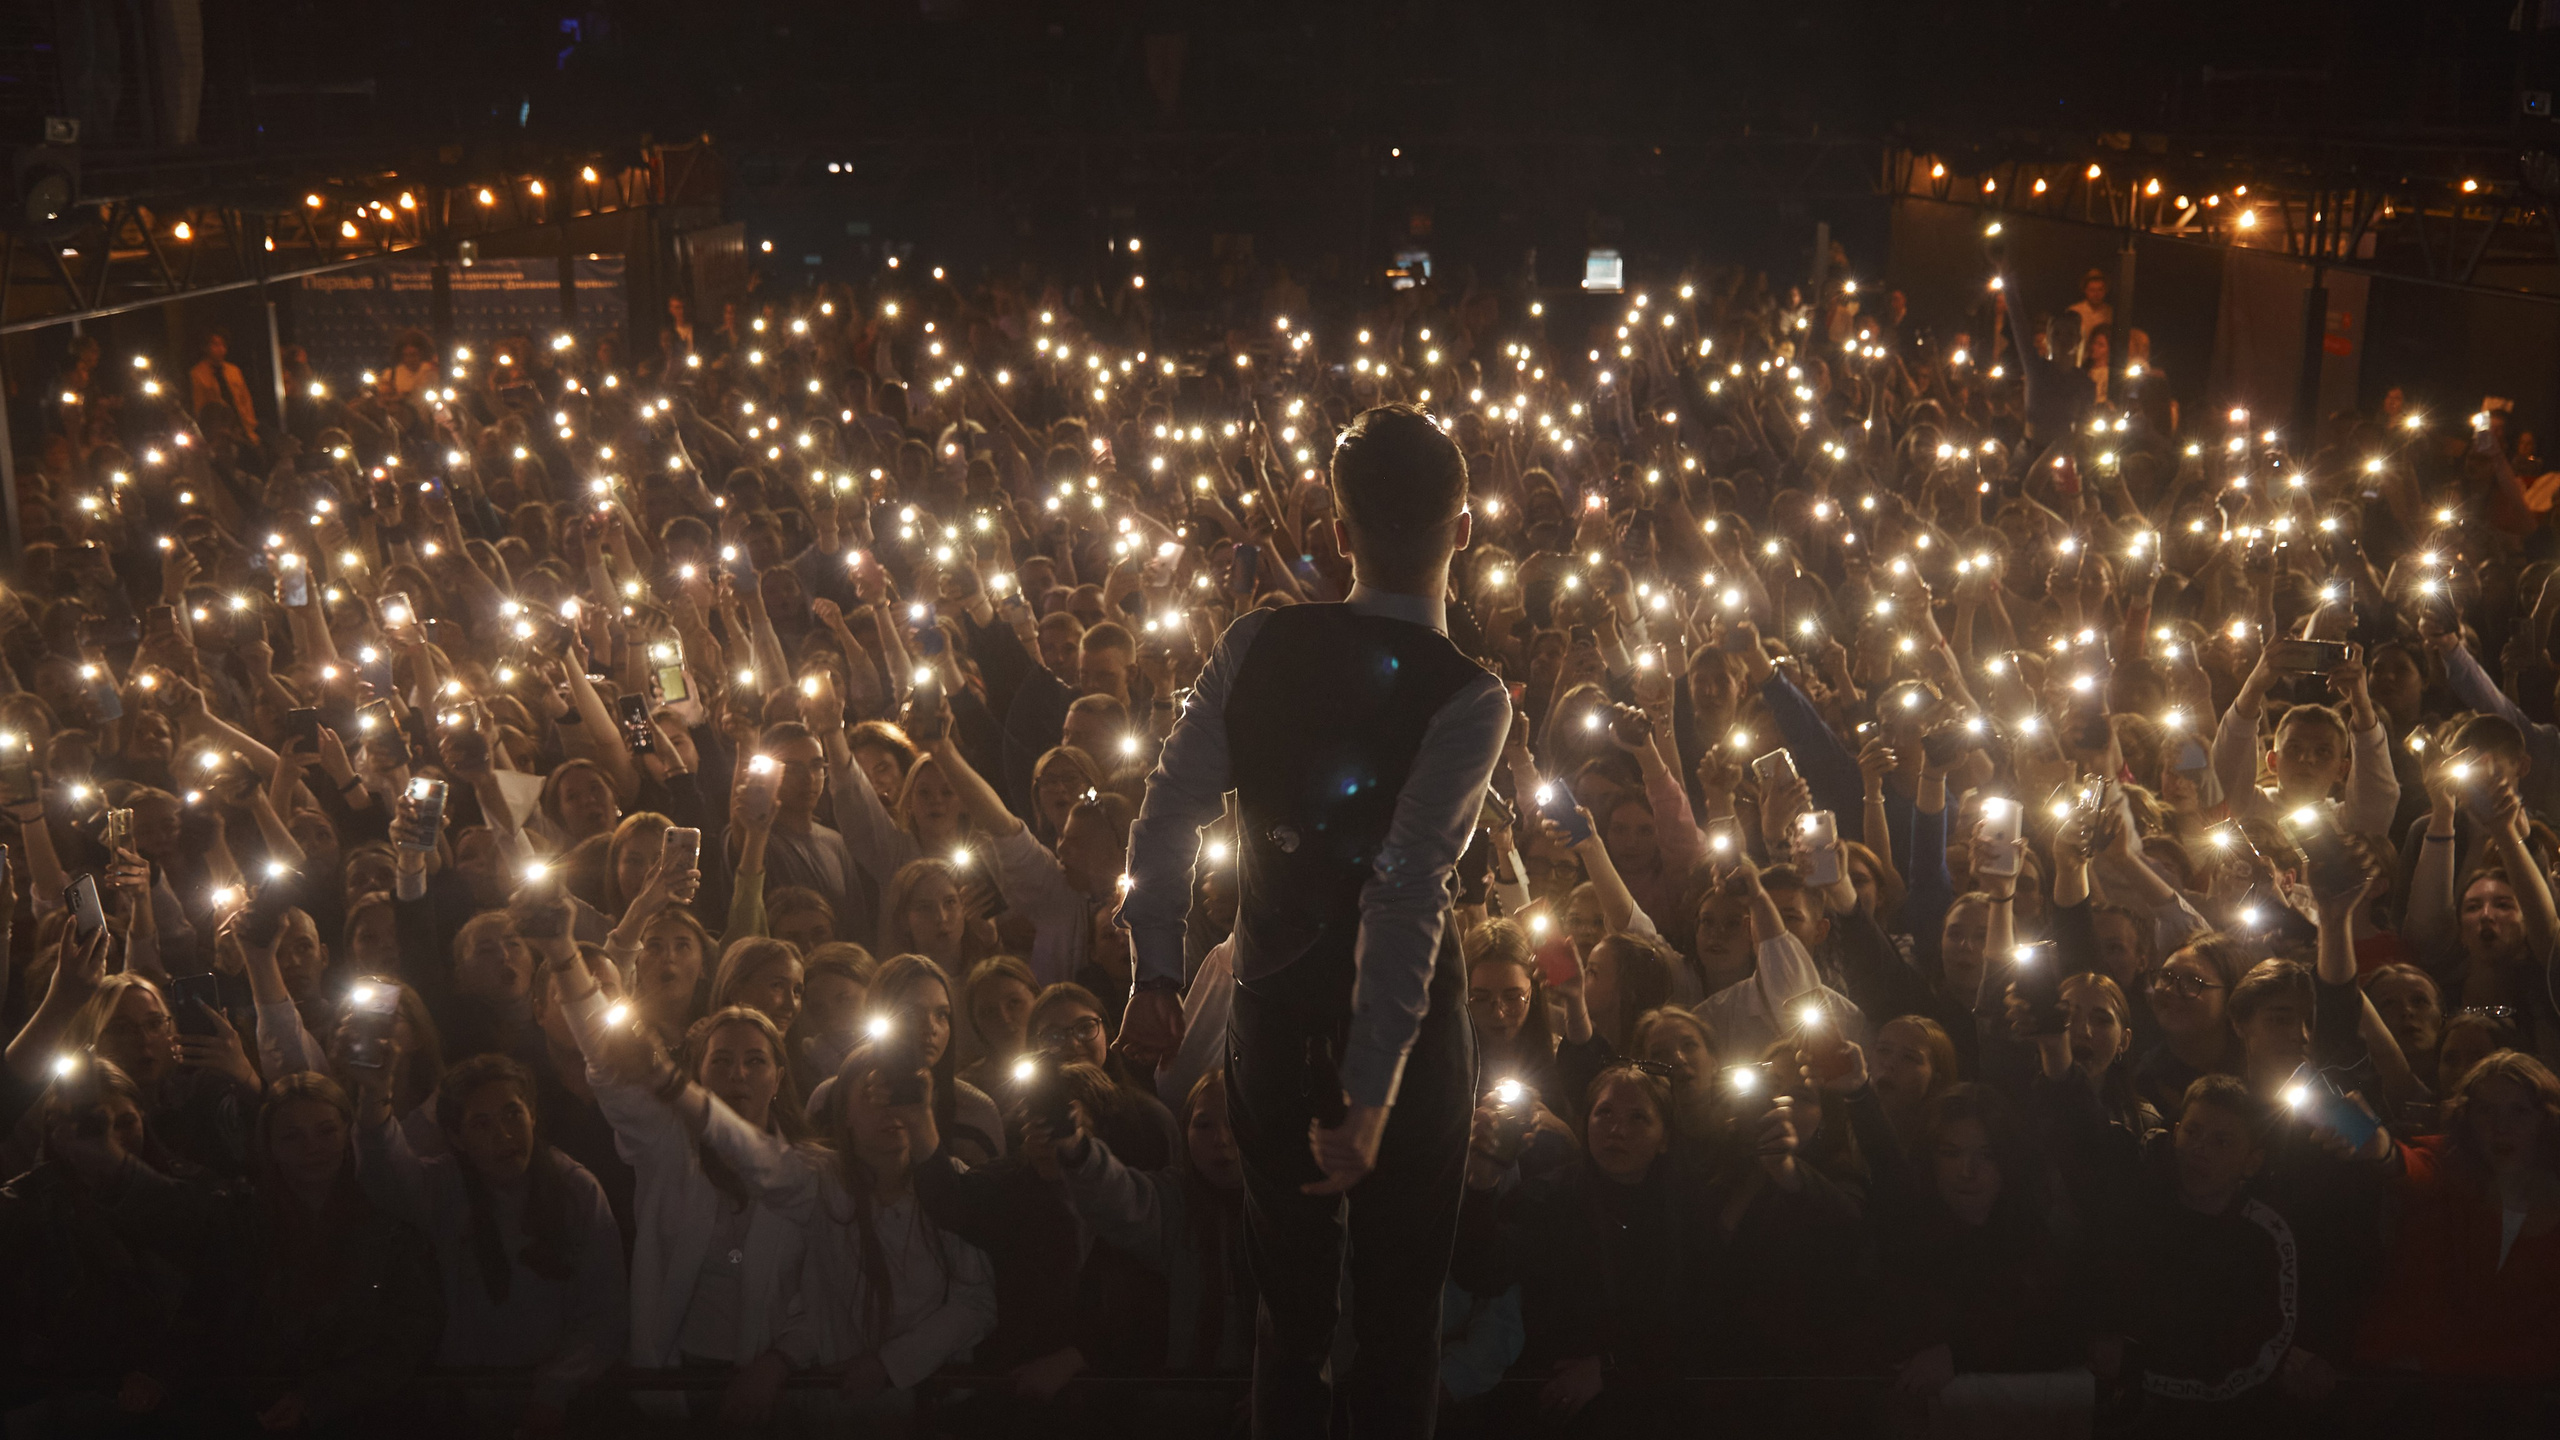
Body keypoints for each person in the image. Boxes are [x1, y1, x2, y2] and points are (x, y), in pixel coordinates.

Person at [1119, 403, 1509, 1436]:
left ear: (1338, 533)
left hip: (1273, 1009)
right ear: (1462, 528)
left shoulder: (1258, 642)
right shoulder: (1470, 696)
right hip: (1408, 1030)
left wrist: (1155, 974)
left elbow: (1166, 810)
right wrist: (1376, 1085)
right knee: (1398, 1319)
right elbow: (1407, 880)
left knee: (1287, 1317)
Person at [351, 1052, 629, 1434]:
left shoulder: (575, 1190)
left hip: (562, 1405)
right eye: (481, 1124)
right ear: (456, 1138)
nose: (504, 1136)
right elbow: (386, 1174)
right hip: (460, 1403)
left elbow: (604, 1311)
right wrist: (374, 1093)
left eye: (513, 1114)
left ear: (532, 1113)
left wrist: (554, 1393)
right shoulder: (445, 1187)